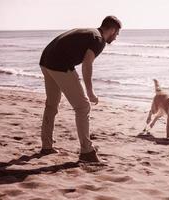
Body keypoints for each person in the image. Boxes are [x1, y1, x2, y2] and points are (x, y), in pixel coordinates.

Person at [39, 16, 122, 162]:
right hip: (59, 64)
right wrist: (90, 92)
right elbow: (87, 64)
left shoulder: (91, 32)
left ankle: (46, 146)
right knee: (83, 107)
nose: (116, 37)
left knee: (51, 104)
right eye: (117, 33)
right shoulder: (98, 40)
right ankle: (87, 152)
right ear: (112, 30)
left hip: (45, 60)